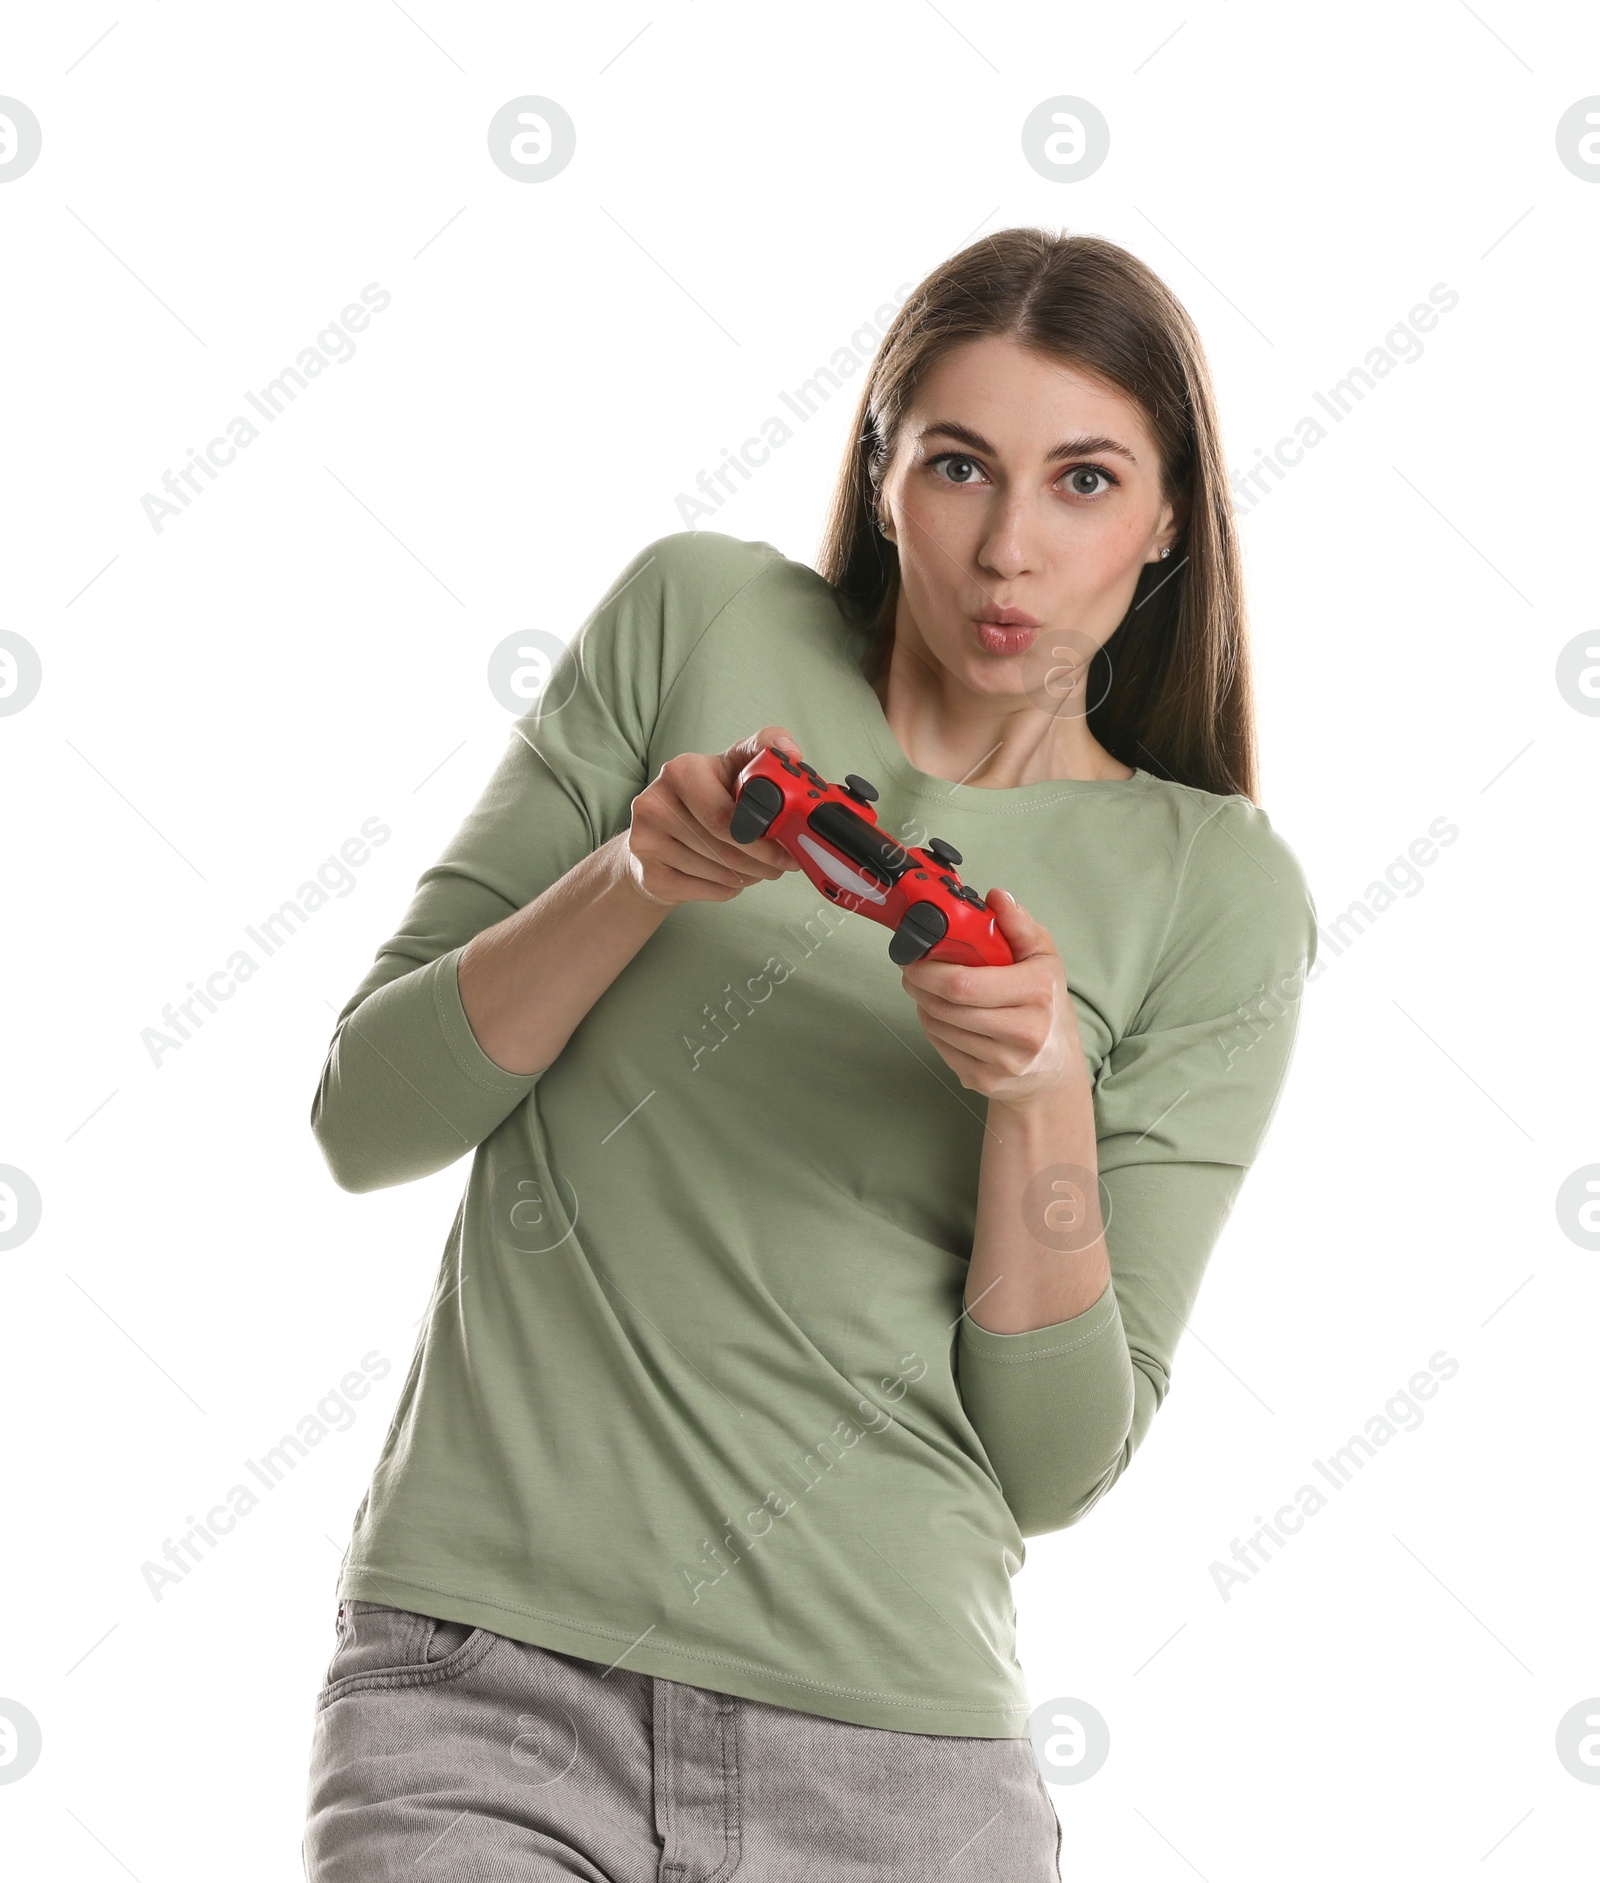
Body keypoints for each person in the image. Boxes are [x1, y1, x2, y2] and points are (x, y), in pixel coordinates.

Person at [301, 225, 1317, 1880]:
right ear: (882, 465)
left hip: (894, 1761)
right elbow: (366, 1118)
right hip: (483, 1696)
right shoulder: (697, 621)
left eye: (1081, 482)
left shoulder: (1217, 890)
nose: (1006, 550)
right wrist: (634, 878)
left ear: (1169, 520)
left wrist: (1039, 1095)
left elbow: (1054, 1463)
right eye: (961, 465)